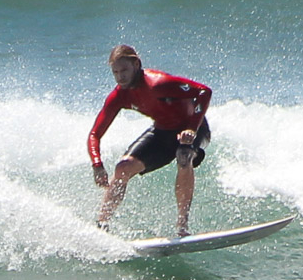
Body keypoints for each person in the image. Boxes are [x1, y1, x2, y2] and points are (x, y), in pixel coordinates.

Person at [87, 44, 212, 236]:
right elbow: (95, 134)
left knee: (184, 156)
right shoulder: (119, 96)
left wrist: (191, 128)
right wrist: (97, 164)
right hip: (162, 132)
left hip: (194, 128)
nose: (120, 77)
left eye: (124, 70)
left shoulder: (159, 83)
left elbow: (203, 92)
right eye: (115, 72)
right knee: (123, 168)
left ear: (136, 64)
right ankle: (101, 225)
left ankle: (182, 227)